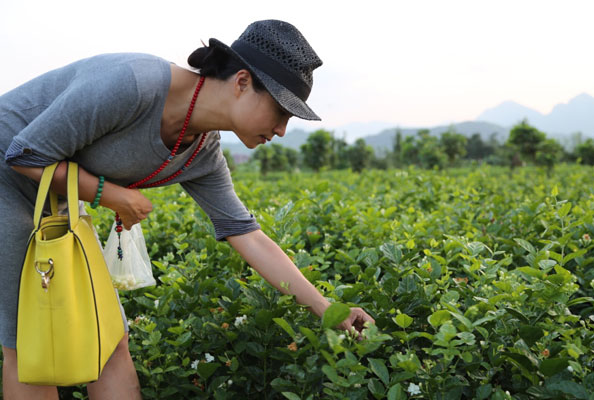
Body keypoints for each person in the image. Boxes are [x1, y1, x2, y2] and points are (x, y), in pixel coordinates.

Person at [0, 19, 376, 399]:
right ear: (242, 82)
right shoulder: (133, 83)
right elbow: (23, 152)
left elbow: (246, 234)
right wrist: (110, 195)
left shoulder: (202, 152)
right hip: (6, 176)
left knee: (109, 337)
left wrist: (328, 308)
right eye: (281, 112)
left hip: (52, 196)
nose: (281, 130)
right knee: (30, 343)